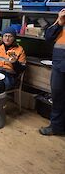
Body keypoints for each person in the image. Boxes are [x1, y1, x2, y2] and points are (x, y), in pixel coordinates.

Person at [39, 8, 65, 136]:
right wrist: (59, 22)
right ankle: (56, 127)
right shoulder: (62, 19)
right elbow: (48, 37)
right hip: (59, 65)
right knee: (57, 97)